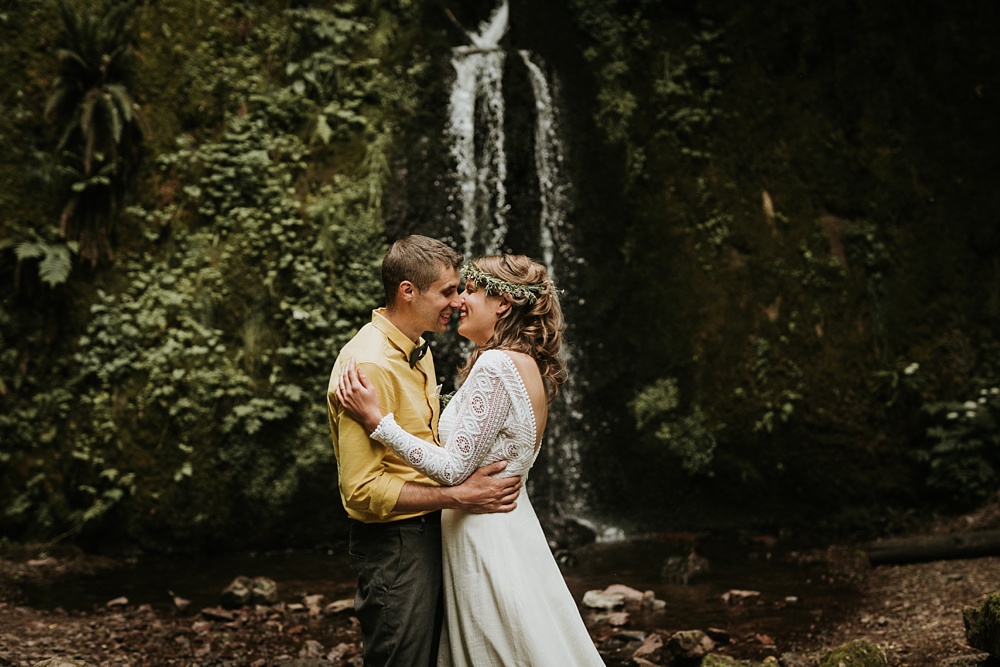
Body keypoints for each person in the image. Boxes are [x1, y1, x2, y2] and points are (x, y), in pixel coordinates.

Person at [337, 254, 605, 667]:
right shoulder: (524, 363)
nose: (460, 299)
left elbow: (452, 469)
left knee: (497, 647)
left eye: (470, 290)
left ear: (503, 304)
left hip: (484, 533)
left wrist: (378, 422)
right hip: (506, 524)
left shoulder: (496, 365)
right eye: (455, 290)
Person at [327, 236, 523, 667]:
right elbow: (361, 492)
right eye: (448, 291)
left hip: (429, 533)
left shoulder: (418, 350)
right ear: (408, 291)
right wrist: (457, 496)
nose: (457, 302)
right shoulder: (371, 366)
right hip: (397, 544)